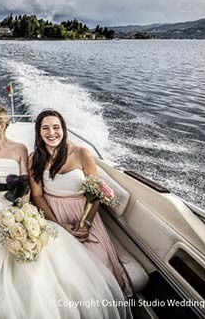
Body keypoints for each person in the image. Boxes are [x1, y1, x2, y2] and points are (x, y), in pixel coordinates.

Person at [0, 104, 130, 318]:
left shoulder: (20, 150)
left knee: (39, 262)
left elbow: (26, 189)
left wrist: (19, 215)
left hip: (14, 214)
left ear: (2, 125)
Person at [29, 109, 133, 297]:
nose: (51, 133)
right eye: (45, 128)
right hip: (52, 213)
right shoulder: (34, 159)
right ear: (39, 132)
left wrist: (86, 224)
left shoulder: (82, 154)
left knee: (98, 262)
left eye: (56, 127)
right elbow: (37, 196)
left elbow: (95, 193)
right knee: (59, 267)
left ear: (64, 129)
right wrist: (57, 225)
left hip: (83, 212)